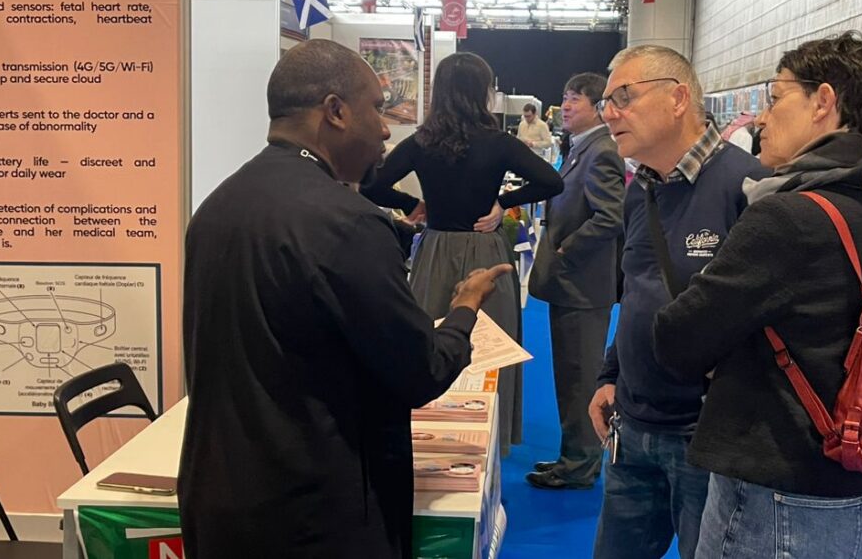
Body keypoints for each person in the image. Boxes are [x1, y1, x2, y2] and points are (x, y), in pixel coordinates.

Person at [178, 40, 512, 558]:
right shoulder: (347, 221)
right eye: (377, 109)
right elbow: (420, 371)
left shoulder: (218, 206)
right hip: (315, 511)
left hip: (219, 497)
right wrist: (465, 308)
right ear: (335, 111)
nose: (384, 129)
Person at [652, 31, 862, 558]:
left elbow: (678, 340)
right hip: (861, 490)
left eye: (775, 98)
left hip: (779, 501)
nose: (761, 119)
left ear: (824, 102)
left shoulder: (787, 215)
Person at [588, 45, 767, 558]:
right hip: (632, 427)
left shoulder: (748, 187)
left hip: (705, 438)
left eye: (624, 96)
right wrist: (609, 376)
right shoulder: (640, 188)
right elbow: (638, 291)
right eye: (605, 102)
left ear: (678, 98)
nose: (610, 112)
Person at [362, 52, 563, 455]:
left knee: (429, 346)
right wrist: (504, 202)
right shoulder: (500, 142)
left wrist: (409, 205)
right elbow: (551, 180)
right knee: (490, 353)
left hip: (434, 251)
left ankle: (430, 441)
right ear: (482, 92)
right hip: (487, 253)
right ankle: (488, 445)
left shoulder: (420, 141)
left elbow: (371, 184)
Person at [526, 72, 625, 490]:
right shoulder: (580, 149)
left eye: (575, 100)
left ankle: (582, 465)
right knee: (569, 376)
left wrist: (568, 249)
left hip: (583, 284)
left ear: (598, 107)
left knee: (581, 377)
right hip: (571, 285)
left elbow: (610, 215)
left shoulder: (601, 151)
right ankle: (573, 457)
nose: (566, 107)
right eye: (564, 98)